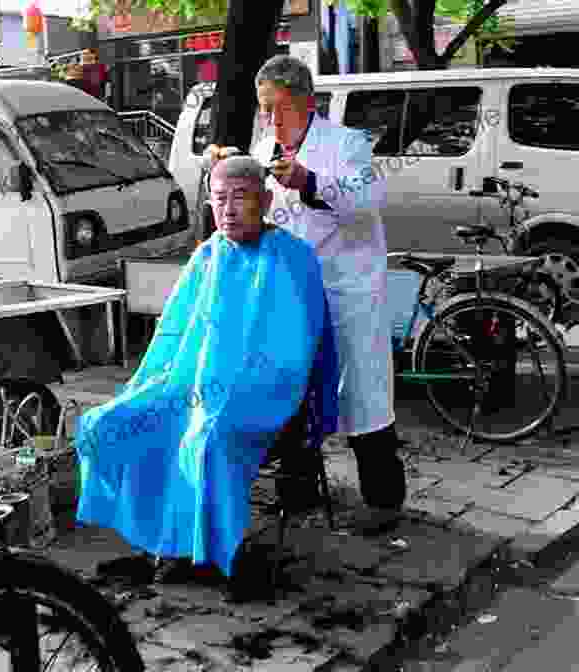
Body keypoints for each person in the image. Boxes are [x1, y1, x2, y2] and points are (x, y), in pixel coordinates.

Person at [75, 155, 339, 588]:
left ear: (267, 200)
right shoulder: (206, 257)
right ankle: (161, 541)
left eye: (240, 198)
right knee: (108, 424)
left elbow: (290, 357)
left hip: (260, 396)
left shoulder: (293, 259)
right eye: (219, 200)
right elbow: (173, 336)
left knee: (207, 438)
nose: (228, 209)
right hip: (188, 384)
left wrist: (219, 395)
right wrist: (156, 385)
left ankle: (210, 554)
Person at [210, 55, 407, 529]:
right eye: (264, 109)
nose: (272, 120)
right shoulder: (263, 149)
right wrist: (228, 175)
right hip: (291, 295)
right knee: (294, 390)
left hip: (348, 291)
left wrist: (310, 182)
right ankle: (298, 489)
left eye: (281, 108)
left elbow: (365, 204)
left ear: (308, 103)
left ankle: (383, 501)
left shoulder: (347, 145)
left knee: (364, 394)